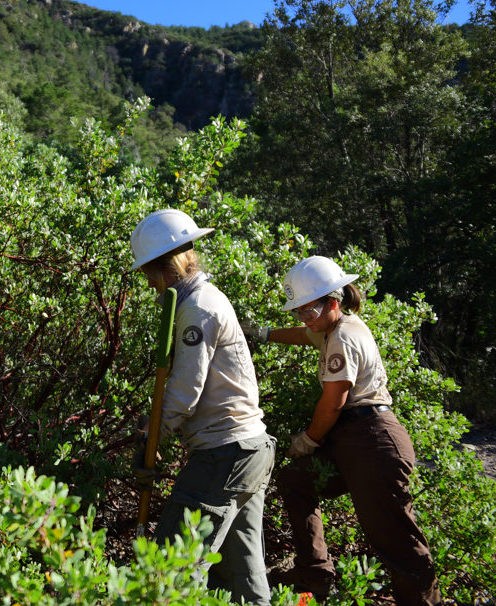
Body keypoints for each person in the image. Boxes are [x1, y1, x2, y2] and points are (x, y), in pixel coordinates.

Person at [242, 256, 441, 605]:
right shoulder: (333, 327)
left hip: (373, 441)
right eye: (299, 311)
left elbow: (334, 400)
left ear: (332, 303)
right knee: (297, 481)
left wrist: (309, 440)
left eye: (309, 311)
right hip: (353, 439)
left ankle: (424, 601)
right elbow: (305, 336)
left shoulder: (343, 338)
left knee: (396, 539)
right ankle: (315, 572)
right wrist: (265, 334)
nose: (304, 319)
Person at [130, 209, 276, 605]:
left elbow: (184, 390)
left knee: (171, 565)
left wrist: (151, 434)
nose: (149, 283)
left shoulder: (197, 307)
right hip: (249, 448)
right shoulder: (200, 298)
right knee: (241, 576)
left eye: (149, 272)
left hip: (225, 453)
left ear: (168, 266)